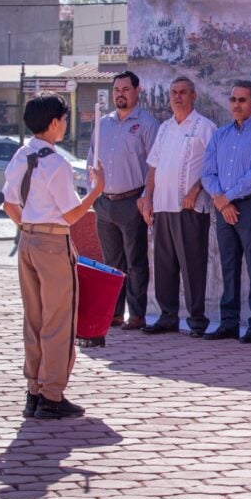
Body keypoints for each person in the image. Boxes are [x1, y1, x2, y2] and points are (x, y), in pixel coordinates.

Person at [2, 94, 105, 419]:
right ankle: (52, 394)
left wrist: (30, 226)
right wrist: (96, 189)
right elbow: (72, 214)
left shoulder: (21, 155)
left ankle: (34, 390)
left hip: (28, 241)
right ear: (54, 123)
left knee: (33, 318)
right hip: (52, 244)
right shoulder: (57, 164)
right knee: (58, 321)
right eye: (63, 118)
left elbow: (8, 204)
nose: (65, 123)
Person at [138, 76, 217, 338]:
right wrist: (148, 198)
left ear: (193, 95)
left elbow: (212, 167)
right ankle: (167, 316)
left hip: (190, 208)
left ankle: (196, 319)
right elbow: (154, 166)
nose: (177, 96)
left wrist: (195, 190)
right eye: (173, 92)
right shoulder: (165, 128)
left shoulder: (205, 127)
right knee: (164, 264)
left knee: (192, 264)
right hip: (162, 206)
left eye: (183, 92)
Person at [201, 80, 251, 343]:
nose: (236, 104)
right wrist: (221, 200)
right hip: (224, 207)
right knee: (229, 265)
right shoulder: (220, 135)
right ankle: (229, 322)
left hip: (250, 205)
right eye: (233, 99)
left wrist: (226, 199)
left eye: (242, 100)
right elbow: (208, 172)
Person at [88, 70, 158, 330]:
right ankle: (114, 313)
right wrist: (93, 195)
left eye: (125, 89)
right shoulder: (103, 123)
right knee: (111, 262)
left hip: (132, 202)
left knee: (135, 260)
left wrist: (145, 198)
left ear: (137, 91)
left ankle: (137, 313)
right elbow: (90, 159)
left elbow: (154, 165)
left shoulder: (147, 124)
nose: (120, 94)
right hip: (105, 203)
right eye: (117, 90)